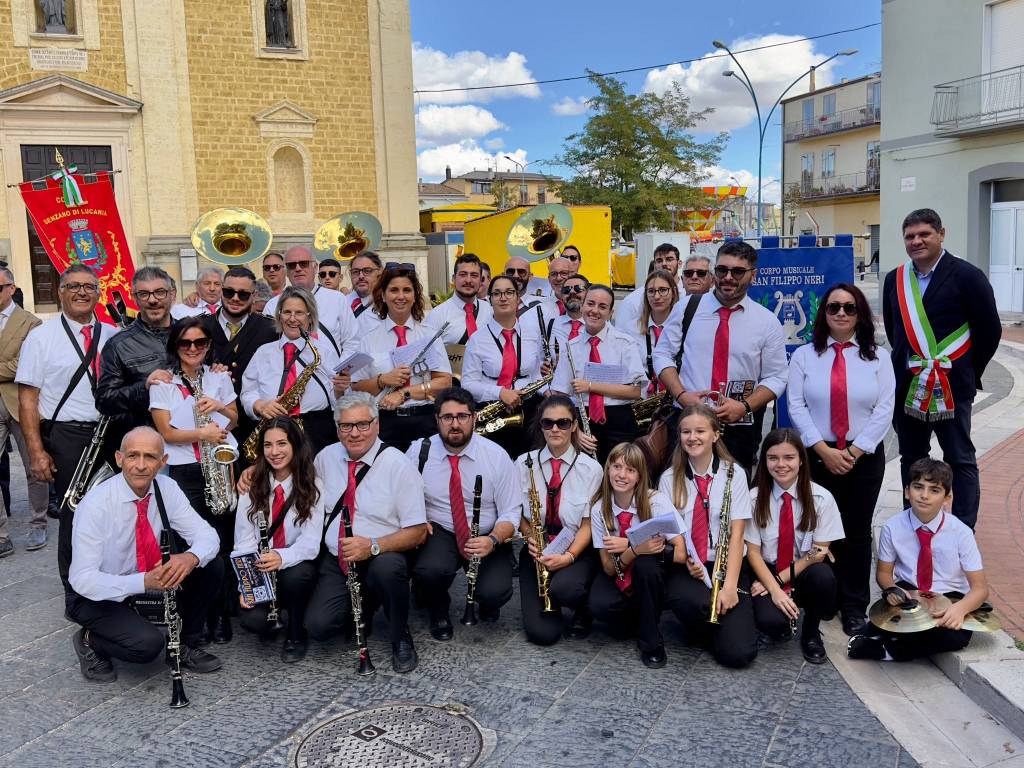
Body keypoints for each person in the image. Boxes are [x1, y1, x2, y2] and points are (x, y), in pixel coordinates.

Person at [67, 427, 223, 682]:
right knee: (147, 646)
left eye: (150, 457)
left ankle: (183, 645)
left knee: (211, 565)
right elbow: (83, 579)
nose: (140, 465)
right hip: (99, 592)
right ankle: (89, 640)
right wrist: (143, 582)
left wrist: (189, 558)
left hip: (149, 577)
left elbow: (208, 536)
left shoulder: (167, 487)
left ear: (163, 462)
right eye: (133, 456)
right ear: (119, 459)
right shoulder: (95, 505)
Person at [882, 209, 1001, 529]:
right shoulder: (895, 279)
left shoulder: (967, 275)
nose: (916, 241)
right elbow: (896, 332)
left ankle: (962, 528)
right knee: (911, 456)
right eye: (910, 236)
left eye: (924, 234)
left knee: (959, 457)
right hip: (909, 387)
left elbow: (989, 330)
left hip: (951, 387)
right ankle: (913, 523)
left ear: (941, 234)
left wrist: (965, 370)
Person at [787, 283, 894, 636]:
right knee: (821, 530)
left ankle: (853, 605)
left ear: (860, 313)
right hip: (817, 455)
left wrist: (853, 452)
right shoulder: (805, 355)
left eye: (849, 308)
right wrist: (822, 449)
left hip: (863, 455)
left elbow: (884, 409)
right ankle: (825, 597)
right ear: (824, 313)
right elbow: (796, 406)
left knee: (858, 531)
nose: (842, 314)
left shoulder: (878, 358)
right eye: (834, 308)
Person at [306, 393, 428, 672]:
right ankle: (365, 602)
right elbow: (301, 494)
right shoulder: (326, 457)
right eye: (346, 426)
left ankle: (400, 636)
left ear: (377, 425)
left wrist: (371, 546)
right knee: (319, 626)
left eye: (362, 424)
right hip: (339, 558)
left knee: (388, 570)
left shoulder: (398, 465)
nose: (355, 433)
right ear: (337, 428)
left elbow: (418, 532)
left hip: (381, 553)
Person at [17, 264, 117, 579]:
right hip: (68, 438)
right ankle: (78, 598)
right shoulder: (40, 338)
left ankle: (113, 584)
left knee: (115, 516)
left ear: (98, 293)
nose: (81, 292)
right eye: (73, 286)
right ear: (60, 292)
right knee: (75, 519)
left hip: (112, 434)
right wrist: (36, 452)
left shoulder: (114, 335)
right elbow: (27, 399)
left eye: (88, 286)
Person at [654, 240, 788, 471]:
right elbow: (663, 354)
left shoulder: (766, 322)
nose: (728, 277)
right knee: (681, 491)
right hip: (688, 419)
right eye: (722, 270)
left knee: (733, 496)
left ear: (753, 275)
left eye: (737, 271)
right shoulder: (687, 308)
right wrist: (682, 395)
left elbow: (777, 377)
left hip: (739, 427)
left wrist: (744, 406)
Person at [149, 317, 239, 643]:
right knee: (194, 545)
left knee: (224, 542)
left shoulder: (218, 378)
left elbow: (235, 418)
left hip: (218, 464)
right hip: (184, 470)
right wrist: (202, 432)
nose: (192, 349)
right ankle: (196, 620)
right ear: (175, 346)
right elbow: (165, 432)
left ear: (208, 345)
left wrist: (219, 406)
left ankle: (221, 615)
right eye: (185, 343)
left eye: (199, 343)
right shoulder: (163, 384)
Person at [848, 458, 989, 662]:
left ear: (947, 497)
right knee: (895, 613)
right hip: (911, 591)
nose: (924, 496)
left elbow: (980, 589)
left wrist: (960, 610)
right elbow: (884, 574)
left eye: (934, 490)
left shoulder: (961, 532)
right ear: (907, 491)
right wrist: (892, 589)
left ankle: (888, 651)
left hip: (950, 596)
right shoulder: (892, 527)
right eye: (918, 487)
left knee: (955, 637)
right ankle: (887, 633)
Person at [408, 388, 519, 641]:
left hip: (486, 533)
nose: (455, 424)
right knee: (429, 571)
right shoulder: (419, 452)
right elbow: (402, 497)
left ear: (474, 418)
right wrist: (417, 520)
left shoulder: (496, 456)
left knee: (495, 591)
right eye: (447, 417)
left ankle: (487, 601)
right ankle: (438, 609)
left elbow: (511, 511)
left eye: (462, 416)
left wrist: (492, 540)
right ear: (437, 419)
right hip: (441, 529)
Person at [656, 406, 757, 668]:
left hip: (726, 564)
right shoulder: (669, 479)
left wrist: (730, 586)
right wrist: (685, 554)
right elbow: (671, 532)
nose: (693, 437)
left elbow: (737, 536)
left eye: (700, 430)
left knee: (738, 655)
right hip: (689, 566)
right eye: (686, 432)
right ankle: (706, 625)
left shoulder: (735, 474)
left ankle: (721, 627)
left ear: (715, 434)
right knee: (687, 600)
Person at [746, 429, 845, 664]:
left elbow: (818, 553)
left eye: (789, 457)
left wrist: (779, 584)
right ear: (765, 461)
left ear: (801, 460)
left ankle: (811, 633)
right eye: (773, 458)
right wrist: (774, 589)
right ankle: (776, 618)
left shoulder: (821, 498)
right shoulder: (753, 498)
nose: (781, 465)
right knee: (772, 624)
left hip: (804, 569)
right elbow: (753, 552)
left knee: (824, 578)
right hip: (765, 570)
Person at [232, 417, 322, 662]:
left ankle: (296, 632)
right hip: (261, 566)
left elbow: (310, 544)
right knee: (253, 621)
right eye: (268, 445)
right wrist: (247, 585)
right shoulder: (252, 484)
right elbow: (244, 541)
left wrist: (281, 558)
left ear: (295, 444)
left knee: (298, 576)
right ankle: (272, 615)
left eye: (282, 443)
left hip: (294, 563)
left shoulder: (312, 484)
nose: (274, 452)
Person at [516, 396, 602, 645]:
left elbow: (588, 524)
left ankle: (582, 608)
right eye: (548, 423)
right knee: (543, 635)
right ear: (540, 425)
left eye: (563, 423)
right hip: (537, 548)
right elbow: (518, 513)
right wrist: (530, 536)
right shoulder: (524, 463)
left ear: (574, 425)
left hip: (576, 548)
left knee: (567, 589)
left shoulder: (591, 469)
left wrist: (569, 556)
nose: (555, 429)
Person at [588, 442, 679, 667]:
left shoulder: (655, 501)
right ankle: (639, 617)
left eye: (630, 470)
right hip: (620, 571)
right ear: (607, 469)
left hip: (653, 572)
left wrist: (633, 548)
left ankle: (651, 640)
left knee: (646, 566)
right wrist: (634, 548)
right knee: (601, 607)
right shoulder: (600, 509)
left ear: (639, 476)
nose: (622, 475)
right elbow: (609, 567)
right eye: (617, 467)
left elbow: (681, 553)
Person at [351, 264, 452, 452]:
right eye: (394, 290)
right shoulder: (369, 340)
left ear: (415, 296)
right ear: (382, 295)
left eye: (407, 290)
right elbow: (356, 387)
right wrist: (382, 380)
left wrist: (404, 393)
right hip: (385, 424)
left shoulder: (429, 336)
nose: (400, 296)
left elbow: (444, 383)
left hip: (425, 420)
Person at [242, 286, 346, 455]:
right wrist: (259, 405)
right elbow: (247, 392)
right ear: (279, 315)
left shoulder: (324, 352)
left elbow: (339, 401)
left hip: (316, 431)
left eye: (299, 313)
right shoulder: (263, 352)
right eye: (287, 312)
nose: (292, 319)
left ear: (310, 317)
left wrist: (340, 390)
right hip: (273, 427)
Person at [552, 284, 644, 464]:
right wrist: (574, 431)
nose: (595, 311)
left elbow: (635, 391)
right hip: (582, 420)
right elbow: (559, 395)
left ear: (610, 312)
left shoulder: (625, 343)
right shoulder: (571, 346)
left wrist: (591, 386)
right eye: (590, 304)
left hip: (619, 420)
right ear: (583, 306)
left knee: (618, 475)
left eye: (602, 307)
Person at [461, 274, 546, 458]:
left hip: (528, 411)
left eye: (509, 292)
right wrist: (500, 392)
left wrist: (547, 390)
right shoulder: (477, 339)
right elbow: (467, 384)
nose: (503, 297)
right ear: (489, 299)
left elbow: (536, 375)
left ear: (517, 298)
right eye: (497, 293)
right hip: (493, 411)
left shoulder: (532, 334)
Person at [200, 266, 278, 451]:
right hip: (211, 424)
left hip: (256, 424)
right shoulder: (199, 326)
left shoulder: (270, 330)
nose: (235, 298)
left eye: (243, 294)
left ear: (254, 295)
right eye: (229, 292)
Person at [0, 265, 45, 558]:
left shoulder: (31, 323)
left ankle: (38, 522)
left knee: (35, 465)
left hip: (21, 402)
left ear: (11, 289)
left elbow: (26, 365)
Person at [97, 266, 178, 429]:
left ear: (173, 294)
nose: (153, 300)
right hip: (146, 442)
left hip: (193, 438)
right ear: (134, 298)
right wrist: (144, 387)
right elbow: (105, 401)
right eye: (144, 294)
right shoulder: (118, 345)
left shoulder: (192, 335)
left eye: (160, 292)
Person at [263, 246, 357, 359]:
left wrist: (340, 371)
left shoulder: (337, 299)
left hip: (330, 374)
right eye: (292, 265)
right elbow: (268, 347)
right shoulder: (272, 305)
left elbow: (352, 341)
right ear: (287, 271)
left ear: (315, 267)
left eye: (303, 263)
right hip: (290, 374)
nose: (298, 268)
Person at [629, 269, 680, 404]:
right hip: (643, 400)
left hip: (678, 398)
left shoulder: (683, 326)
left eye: (663, 290)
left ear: (673, 292)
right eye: (651, 291)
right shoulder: (630, 329)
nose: (656, 297)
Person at [426, 253, 494, 346]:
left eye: (474, 275)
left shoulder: (490, 311)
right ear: (454, 278)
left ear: (480, 280)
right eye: (463, 274)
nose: (468, 280)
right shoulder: (437, 315)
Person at [613, 243, 682, 333]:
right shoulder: (634, 300)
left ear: (679, 263)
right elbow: (621, 334)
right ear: (654, 265)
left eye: (669, 259)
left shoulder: (689, 294)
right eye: (659, 260)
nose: (664, 264)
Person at [347, 251, 383, 328]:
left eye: (367, 271)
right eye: (355, 272)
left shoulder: (389, 305)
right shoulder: (342, 302)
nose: (361, 276)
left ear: (379, 273)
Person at [550, 274, 589, 343]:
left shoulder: (600, 326)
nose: (572, 292)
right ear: (562, 297)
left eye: (578, 288)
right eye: (566, 290)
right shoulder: (551, 325)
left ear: (589, 293)